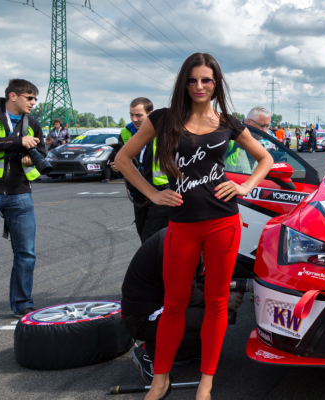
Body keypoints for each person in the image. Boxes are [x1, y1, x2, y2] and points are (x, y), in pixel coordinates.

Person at [115, 52, 274, 400]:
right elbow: (122, 160)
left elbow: (266, 158)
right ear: (183, 83)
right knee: (175, 302)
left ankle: (206, 382)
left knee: (217, 302)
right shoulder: (162, 119)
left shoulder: (228, 123)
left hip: (224, 222)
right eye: (192, 80)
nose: (199, 86)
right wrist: (153, 195)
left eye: (206, 80)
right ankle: (160, 379)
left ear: (216, 83)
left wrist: (245, 186)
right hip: (182, 225)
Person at [122, 228, 244, 383]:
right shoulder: (176, 245)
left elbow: (227, 264)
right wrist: (223, 300)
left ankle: (183, 351)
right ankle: (149, 353)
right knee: (213, 316)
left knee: (218, 314)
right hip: (143, 317)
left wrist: (256, 273)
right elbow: (187, 295)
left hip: (161, 305)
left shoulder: (191, 235)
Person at [0, 79, 45, 318]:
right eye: (29, 98)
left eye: (34, 99)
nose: (33, 103)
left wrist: (33, 157)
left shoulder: (33, 123)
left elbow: (42, 153)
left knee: (26, 253)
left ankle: (22, 304)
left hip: (20, 192)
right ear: (13, 96)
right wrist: (16, 141)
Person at [111, 98, 169, 242]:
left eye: (139, 115)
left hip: (161, 193)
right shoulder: (126, 132)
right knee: (145, 237)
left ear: (151, 114)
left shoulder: (164, 132)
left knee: (150, 242)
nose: (134, 119)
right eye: (131, 115)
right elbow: (119, 160)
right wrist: (117, 167)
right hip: (139, 195)